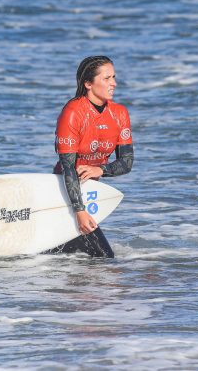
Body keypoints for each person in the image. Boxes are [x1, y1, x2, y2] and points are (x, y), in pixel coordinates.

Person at [47, 56, 134, 258]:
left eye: (114, 77)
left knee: (74, 253)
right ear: (88, 84)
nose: (114, 83)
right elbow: (68, 167)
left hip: (91, 193)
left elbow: (127, 163)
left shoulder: (119, 113)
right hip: (66, 191)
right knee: (104, 257)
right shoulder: (72, 112)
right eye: (106, 78)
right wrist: (79, 211)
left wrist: (100, 170)